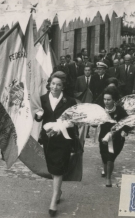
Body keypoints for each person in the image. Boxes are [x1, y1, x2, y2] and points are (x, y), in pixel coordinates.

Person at [35, 71, 77, 217]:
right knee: (52, 168)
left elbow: (72, 121)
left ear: (63, 87)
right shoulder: (42, 99)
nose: (55, 87)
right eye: (53, 84)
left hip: (63, 139)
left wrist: (60, 128)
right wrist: (38, 115)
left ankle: (53, 200)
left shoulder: (70, 101)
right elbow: (39, 118)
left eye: (58, 85)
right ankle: (58, 191)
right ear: (49, 84)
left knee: (58, 168)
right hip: (48, 139)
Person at [98, 86, 129, 187]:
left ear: (114, 99)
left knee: (110, 157)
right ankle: (105, 170)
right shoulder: (101, 110)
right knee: (104, 156)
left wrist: (125, 131)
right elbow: (94, 123)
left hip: (117, 139)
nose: (106, 102)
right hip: (103, 138)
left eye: (109, 99)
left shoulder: (119, 110)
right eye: (104, 99)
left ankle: (108, 178)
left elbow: (128, 122)